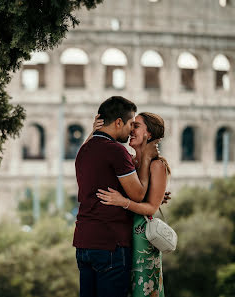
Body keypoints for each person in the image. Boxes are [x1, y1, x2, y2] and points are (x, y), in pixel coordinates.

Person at [73, 96, 160, 297]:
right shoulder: (116, 151)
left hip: (84, 242)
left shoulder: (84, 150)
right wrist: (145, 159)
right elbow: (137, 194)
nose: (131, 129)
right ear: (119, 122)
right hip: (110, 243)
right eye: (131, 124)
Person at [96, 112, 171, 297]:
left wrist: (123, 202)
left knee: (142, 290)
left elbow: (151, 208)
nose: (131, 130)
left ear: (149, 134)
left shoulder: (157, 165)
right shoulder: (129, 161)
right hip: (122, 236)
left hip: (142, 238)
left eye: (136, 126)